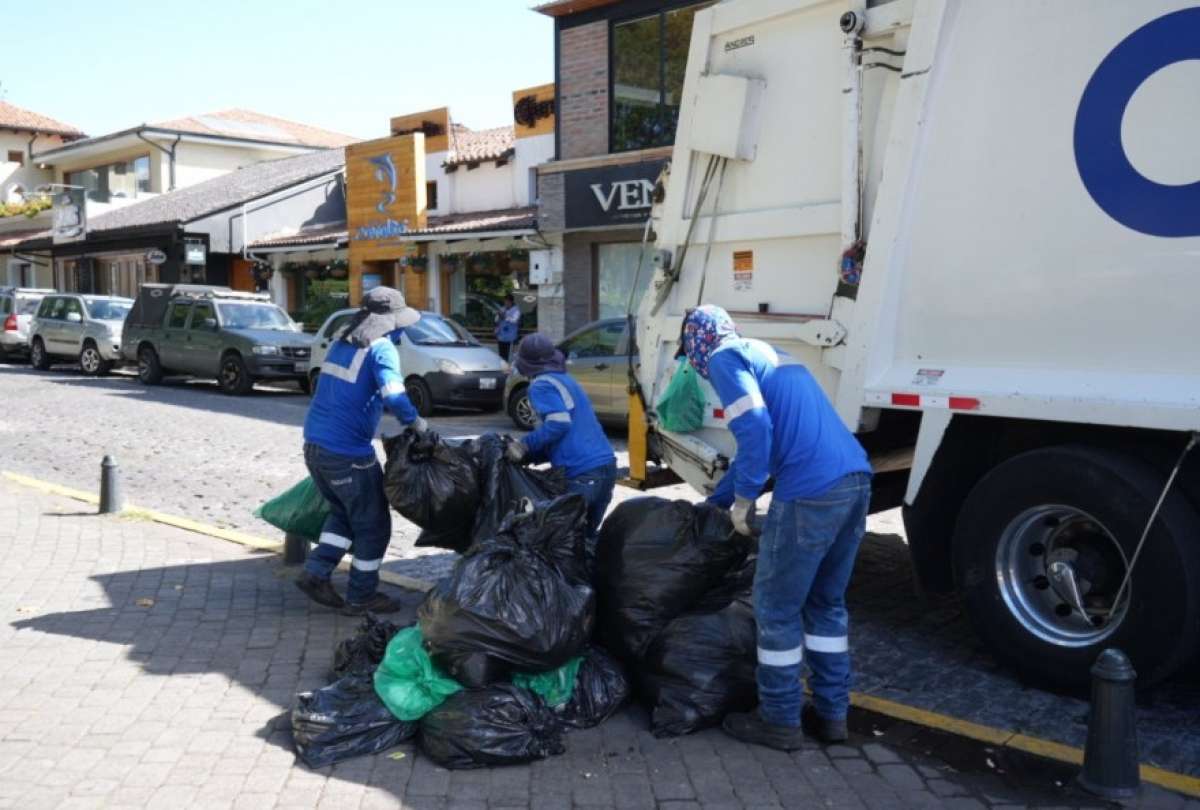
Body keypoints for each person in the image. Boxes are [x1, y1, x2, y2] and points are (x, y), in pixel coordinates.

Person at [679, 305, 872, 751]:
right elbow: (771, 434)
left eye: (692, 355)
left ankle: (780, 719)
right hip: (854, 480)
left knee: (776, 609)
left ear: (697, 342)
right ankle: (831, 716)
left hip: (810, 491)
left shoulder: (725, 358)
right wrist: (719, 501)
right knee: (825, 605)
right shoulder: (771, 354)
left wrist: (745, 500)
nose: (697, 366)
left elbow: (756, 430)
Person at [296, 287, 428, 616]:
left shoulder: (342, 343)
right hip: (348, 454)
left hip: (315, 446)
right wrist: (417, 423)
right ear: (390, 323)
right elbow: (394, 396)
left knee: (343, 513)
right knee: (373, 524)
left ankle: (316, 573)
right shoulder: (381, 348)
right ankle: (361, 596)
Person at [506, 333, 616, 537]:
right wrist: (533, 456)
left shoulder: (540, 385)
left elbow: (559, 424)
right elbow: (567, 434)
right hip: (606, 469)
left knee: (560, 541)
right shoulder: (565, 380)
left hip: (582, 475)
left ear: (526, 364)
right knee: (583, 541)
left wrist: (524, 445)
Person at [494, 293, 522, 362]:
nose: (506, 303)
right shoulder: (502, 309)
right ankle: (503, 367)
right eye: (505, 301)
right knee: (502, 356)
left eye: (507, 301)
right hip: (501, 336)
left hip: (511, 337)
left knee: (509, 356)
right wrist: (498, 316)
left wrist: (505, 317)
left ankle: (508, 369)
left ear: (511, 302)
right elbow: (496, 320)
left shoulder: (516, 310)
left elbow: (514, 320)